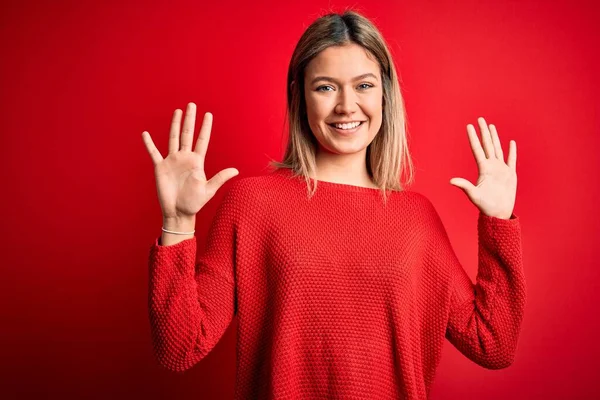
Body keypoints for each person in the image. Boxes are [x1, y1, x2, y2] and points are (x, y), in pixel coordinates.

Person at [141, 10, 526, 400]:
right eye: (326, 87)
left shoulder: (416, 219)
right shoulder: (252, 203)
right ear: (300, 95)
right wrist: (178, 222)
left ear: (384, 94)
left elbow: (492, 343)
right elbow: (180, 348)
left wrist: (498, 223)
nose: (346, 105)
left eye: (363, 85)